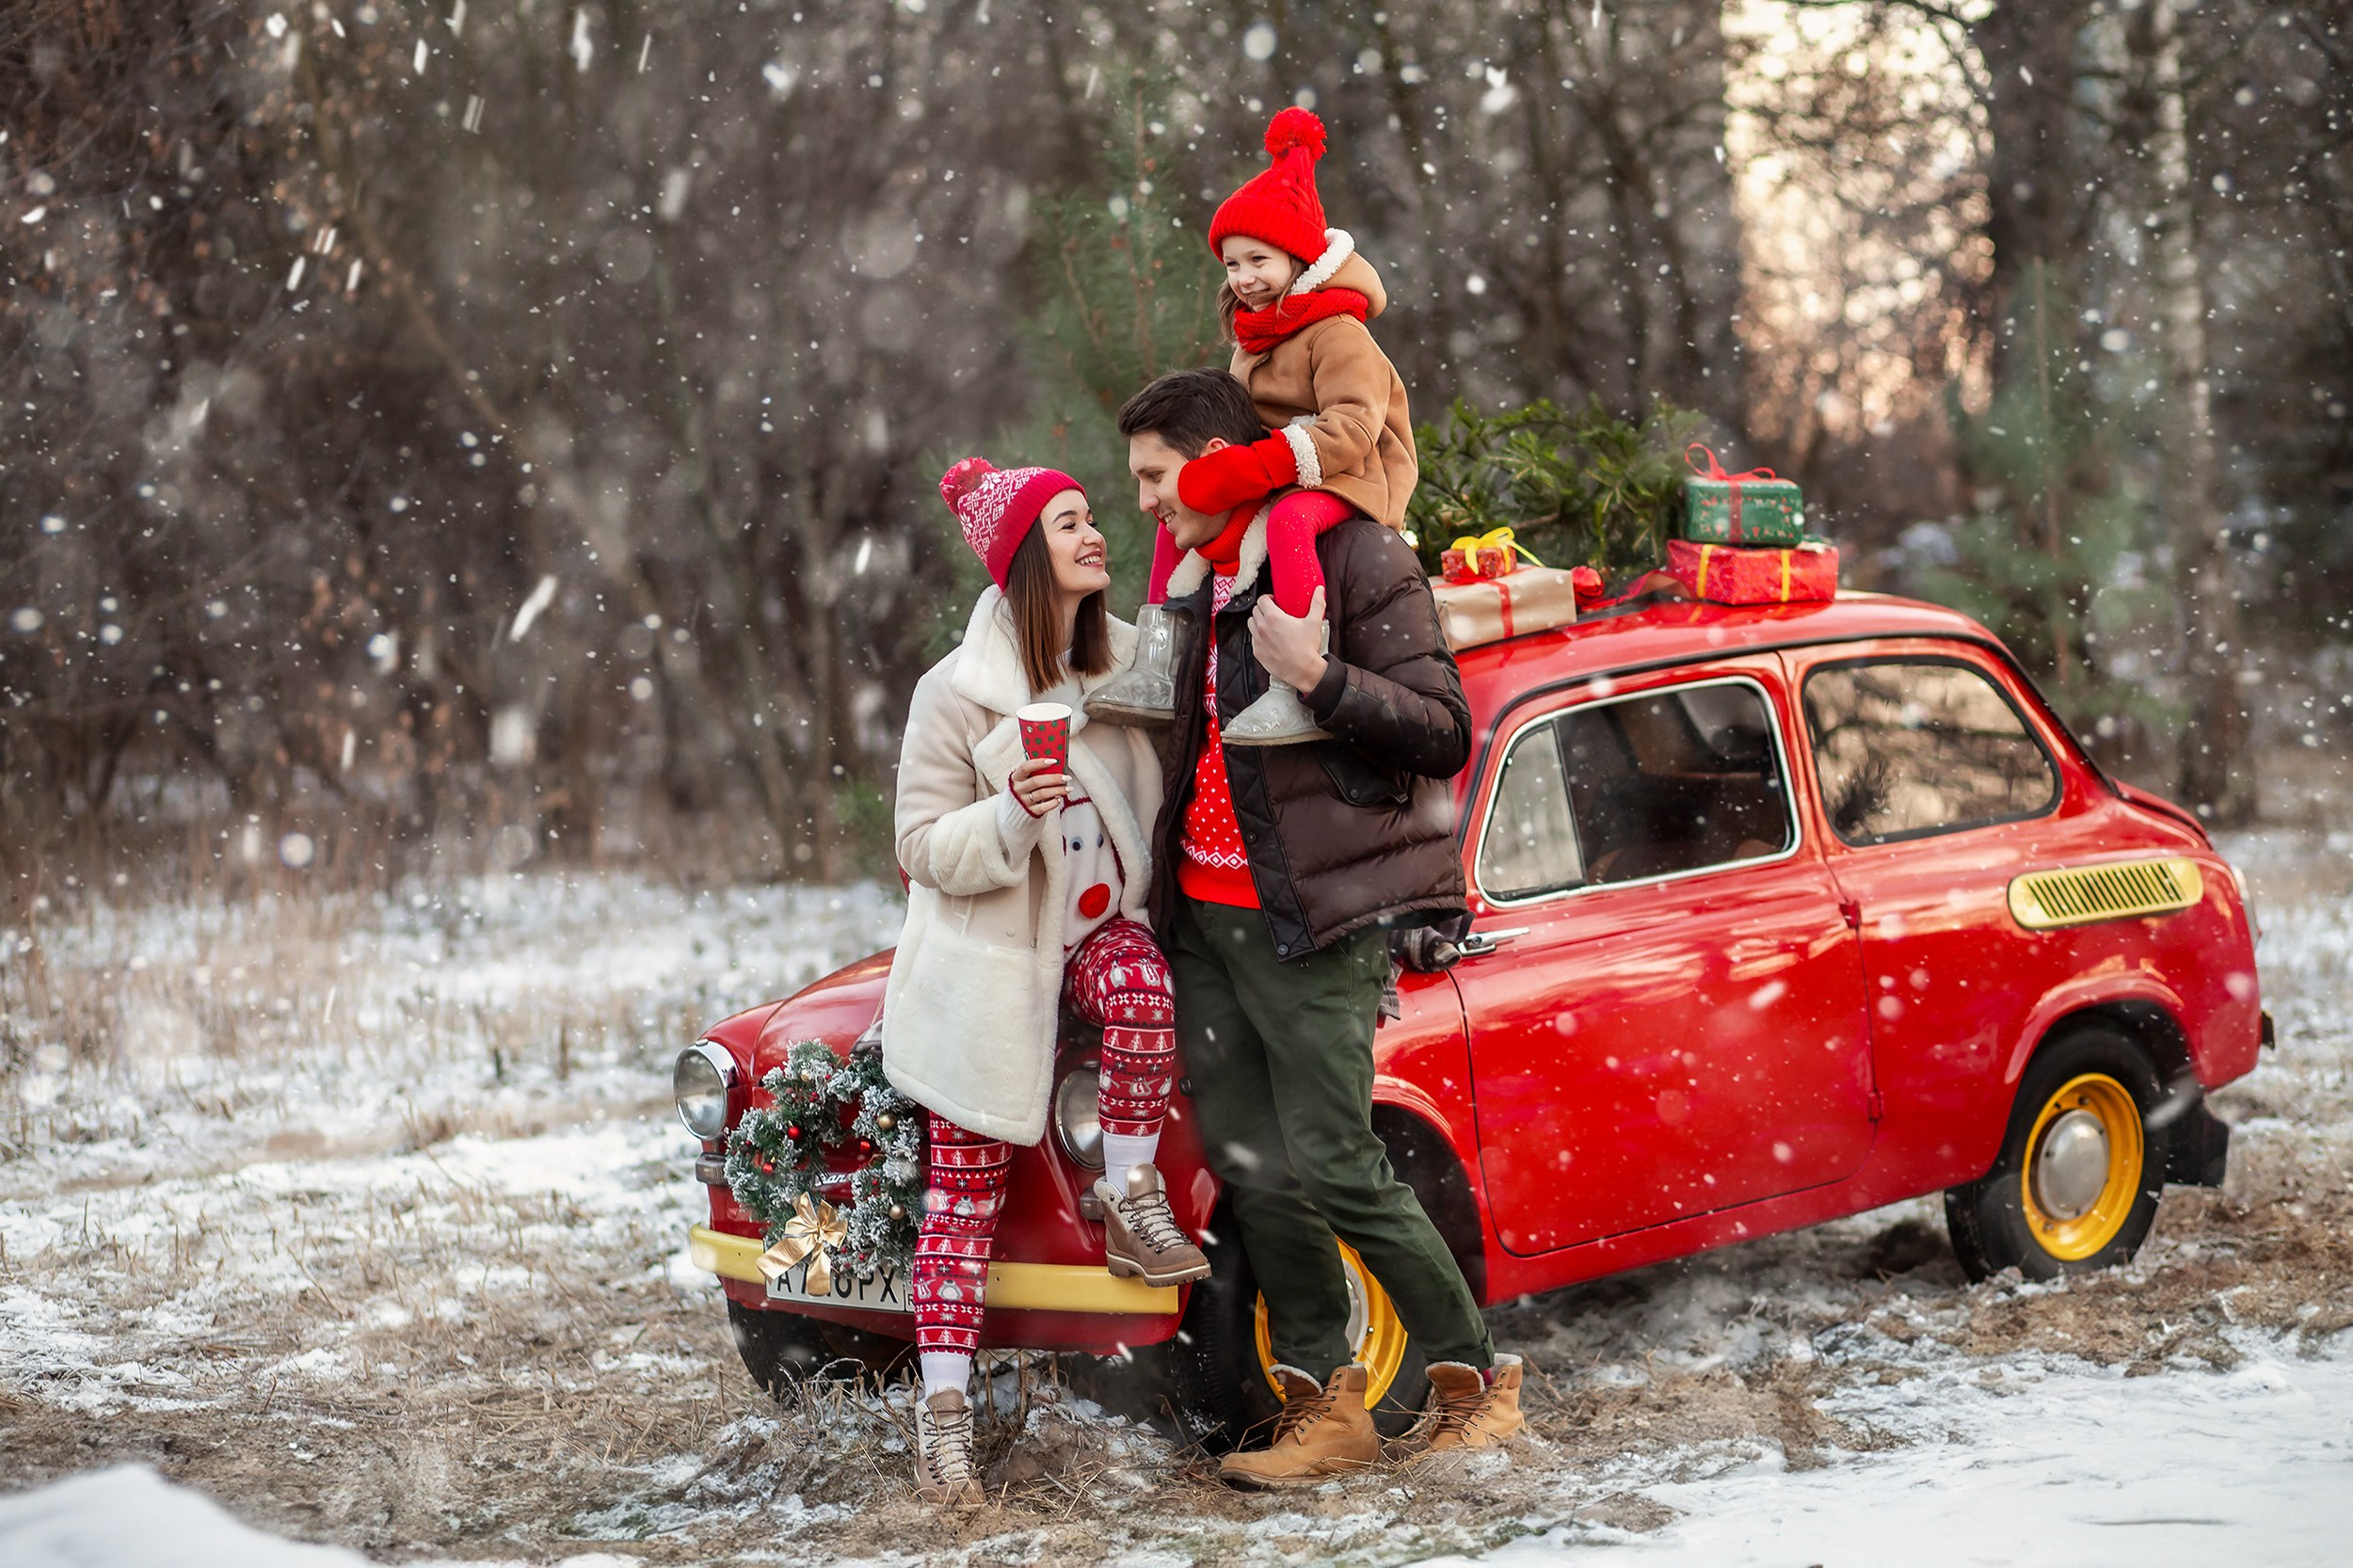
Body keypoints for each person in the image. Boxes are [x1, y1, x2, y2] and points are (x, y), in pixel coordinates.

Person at [1116, 368, 1526, 1488]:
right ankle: (1324, 1403)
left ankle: (1476, 1382)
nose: (1144, 500)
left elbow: (1442, 731)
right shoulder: (1191, 576)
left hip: (1310, 921)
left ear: (1215, 462)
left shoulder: (1356, 554)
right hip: (1203, 923)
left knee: (1338, 1163)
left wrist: (1320, 676)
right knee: (1257, 1170)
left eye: (1156, 476)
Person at [881, 456, 1209, 1509]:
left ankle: (1131, 1193)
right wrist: (1010, 814)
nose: (1093, 533)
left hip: (1098, 936)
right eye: (1068, 523)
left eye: (1090, 516)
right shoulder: (953, 694)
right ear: (1026, 554)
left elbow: (1200, 653)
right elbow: (918, 847)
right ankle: (944, 1430)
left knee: (1142, 987)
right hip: (986, 972)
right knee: (960, 1203)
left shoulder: (1123, 669)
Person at [1089, 107, 1418, 746]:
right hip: (1276, 466)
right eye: (1232, 265)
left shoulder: (1339, 334)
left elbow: (1354, 427)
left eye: (1258, 260)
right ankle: (1160, 661)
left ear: (1297, 258)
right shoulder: (1254, 337)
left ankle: (1293, 682)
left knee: (1291, 521)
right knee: (1182, 502)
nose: (1244, 279)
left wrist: (1260, 464)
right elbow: (1239, 421)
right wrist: (1218, 469)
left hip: (1353, 476)